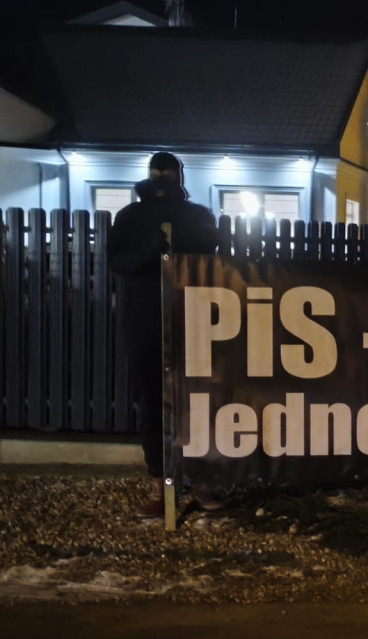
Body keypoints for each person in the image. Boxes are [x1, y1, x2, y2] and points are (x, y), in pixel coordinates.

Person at [109, 152, 221, 517]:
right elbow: (118, 263)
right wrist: (149, 251)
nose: (160, 180)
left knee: (196, 403)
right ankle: (162, 484)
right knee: (154, 404)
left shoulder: (197, 216)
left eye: (167, 174)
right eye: (156, 174)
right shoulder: (129, 217)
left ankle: (201, 480)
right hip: (144, 324)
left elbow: (211, 253)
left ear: (178, 177)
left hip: (191, 319)